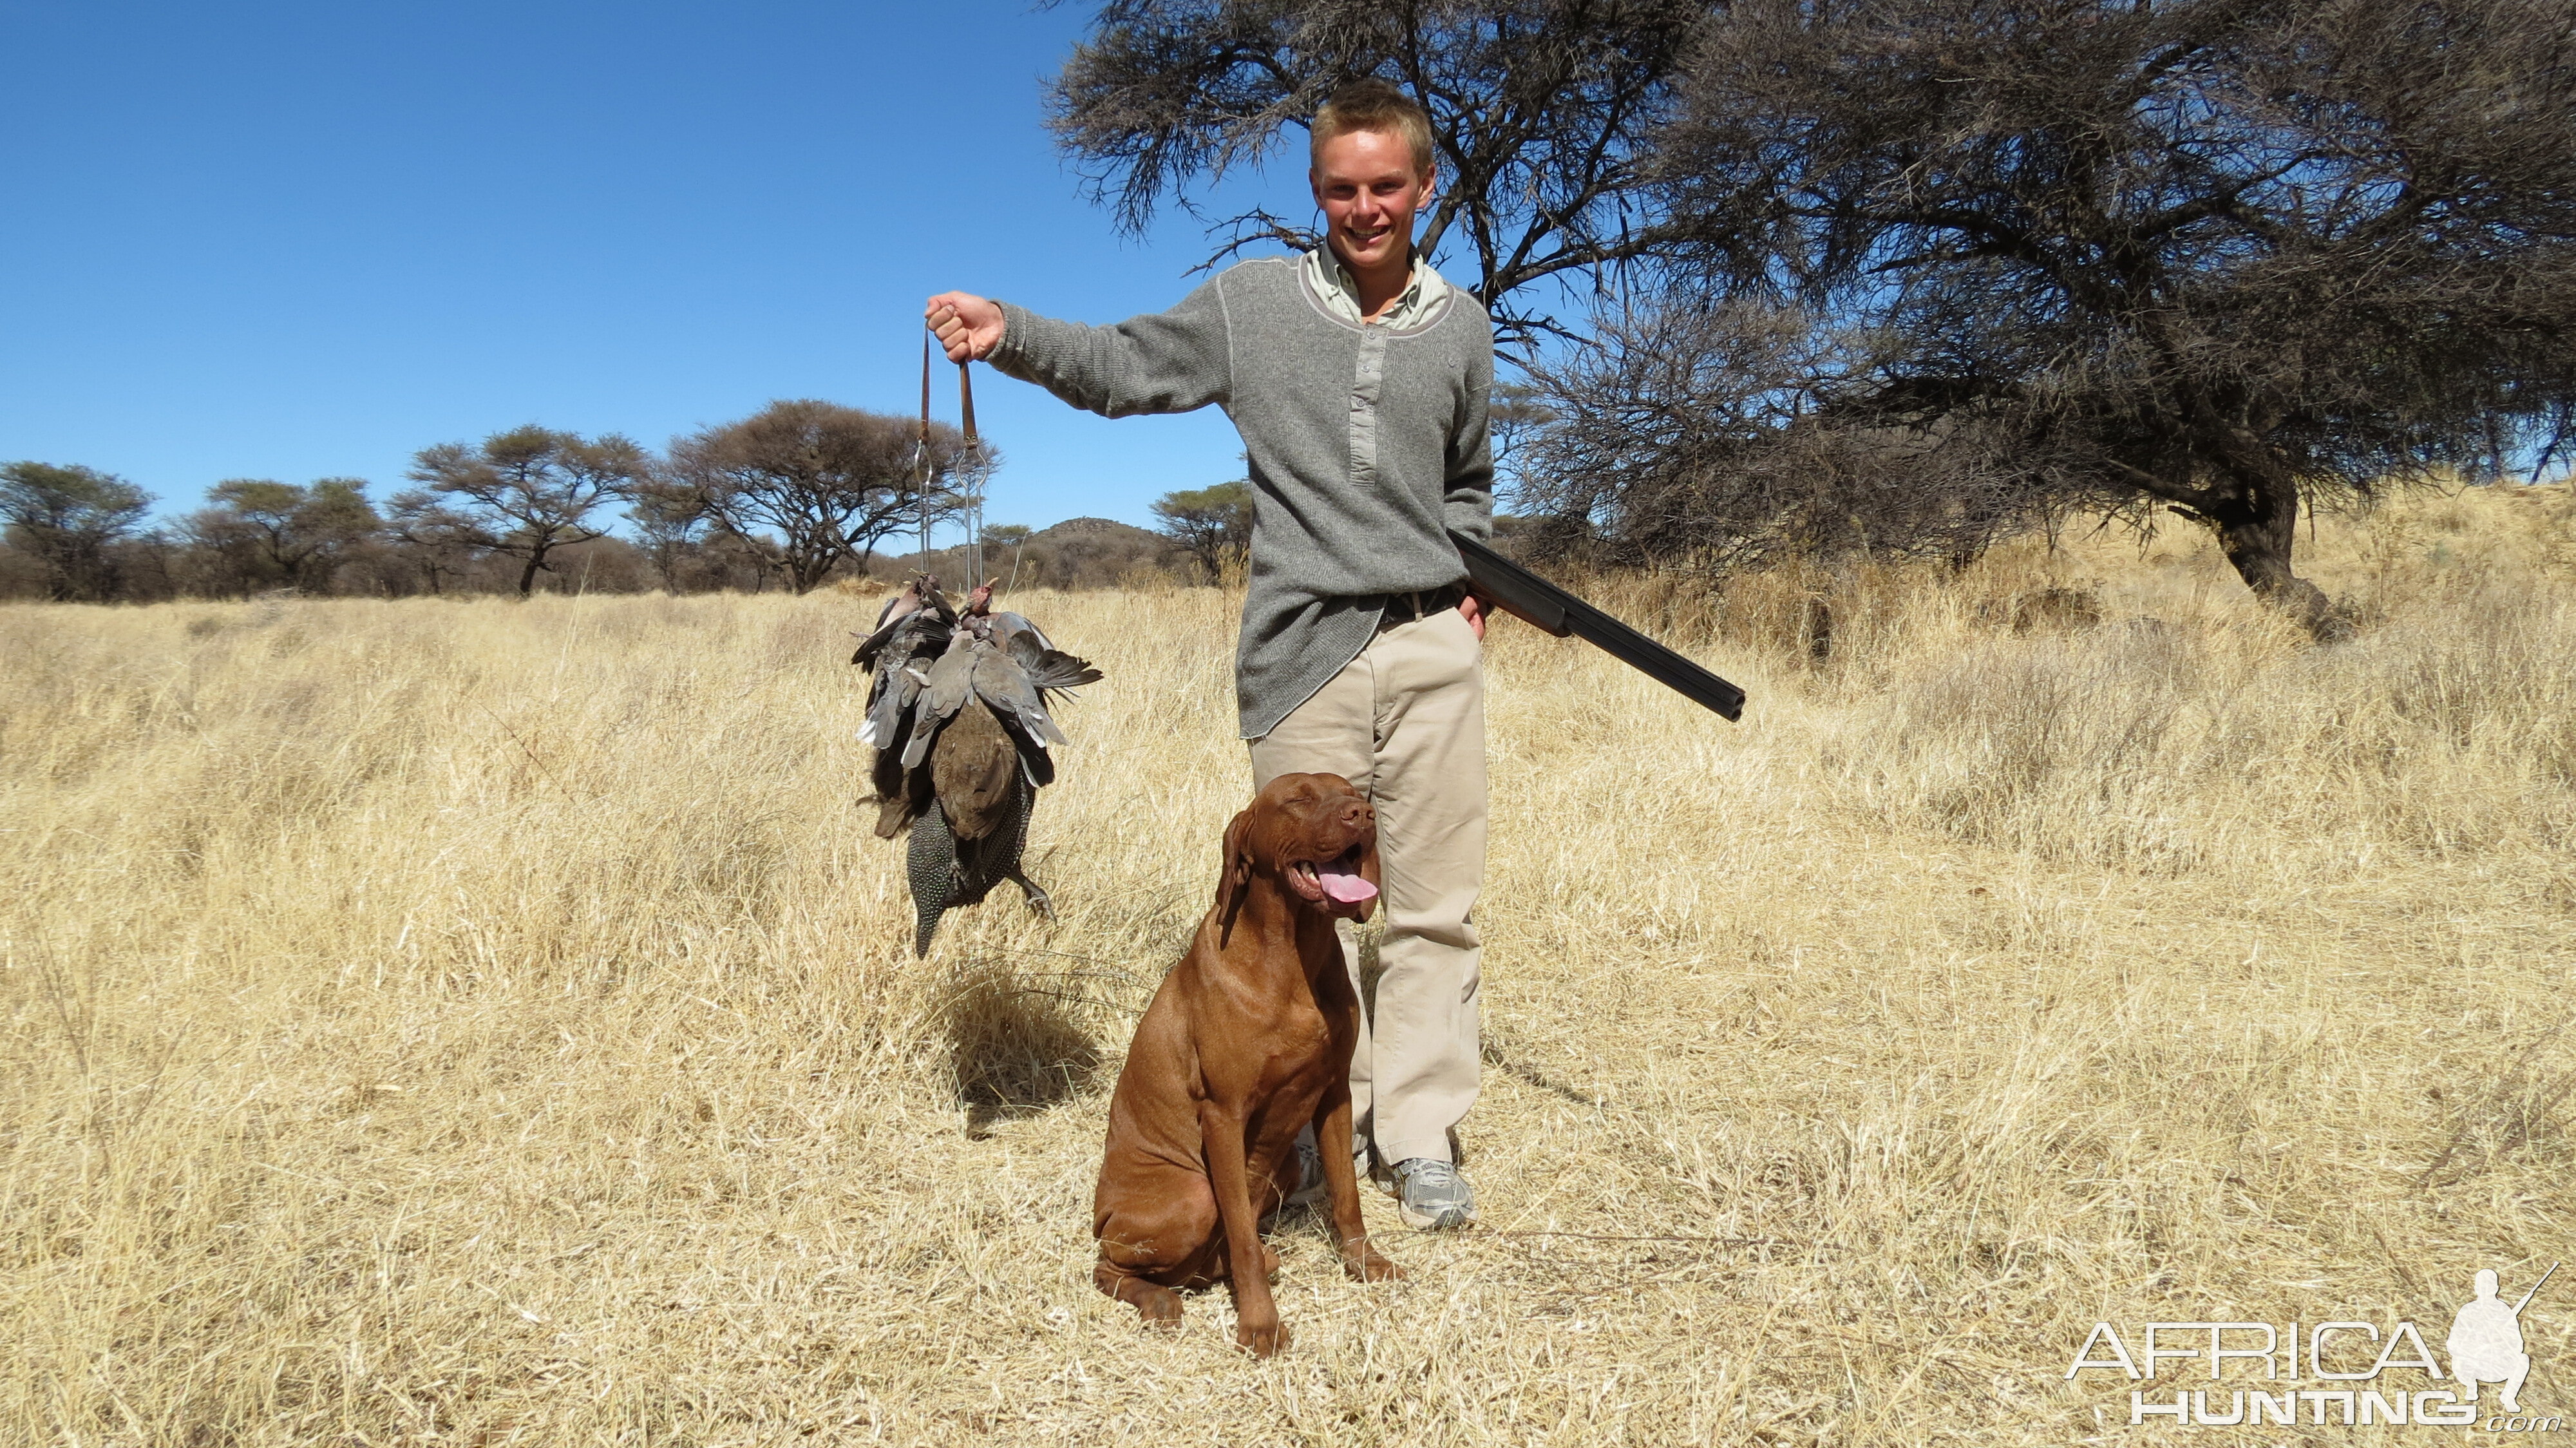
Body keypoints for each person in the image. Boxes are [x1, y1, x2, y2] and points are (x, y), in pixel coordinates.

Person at [926, 77, 1493, 1231]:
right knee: (1304, 910)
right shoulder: (1254, 305)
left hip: (1434, 643)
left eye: (1389, 185)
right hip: (1305, 654)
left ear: (1426, 188)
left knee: (1433, 908)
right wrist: (1012, 332)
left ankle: (1417, 1131)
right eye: (1344, 189)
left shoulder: (1467, 328)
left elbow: (1471, 479)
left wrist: (1471, 575)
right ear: (1317, 194)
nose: (1367, 207)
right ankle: (1299, 1122)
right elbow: (1129, 365)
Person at [2448, 1269, 2532, 1412]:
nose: (2486, 1290)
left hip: (2497, 1365)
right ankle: (2471, 1386)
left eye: (2490, 1286)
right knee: (2458, 1360)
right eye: (2482, 1286)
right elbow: (2452, 1344)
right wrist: (2474, 1346)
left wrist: (2501, 1342)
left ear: (2496, 1288)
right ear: (2476, 1288)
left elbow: (2518, 1344)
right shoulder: (2468, 1310)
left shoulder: (2504, 1311)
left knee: (2523, 1360)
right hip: (2473, 1364)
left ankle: (2509, 1397)